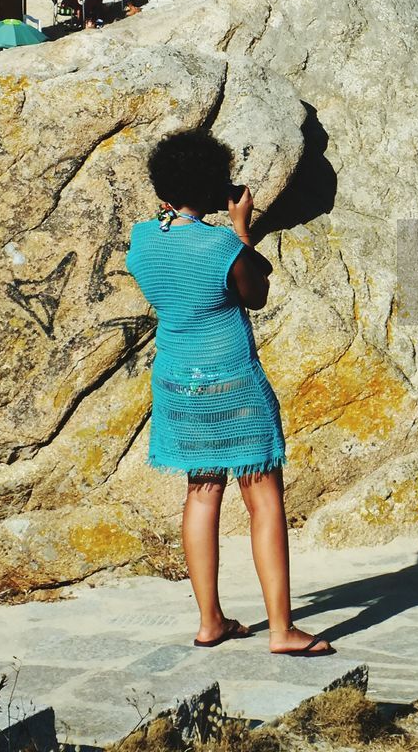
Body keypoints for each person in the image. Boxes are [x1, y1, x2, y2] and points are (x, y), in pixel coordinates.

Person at [125, 130, 333, 657]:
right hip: (234, 380)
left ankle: (209, 620)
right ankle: (283, 631)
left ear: (162, 188)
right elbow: (255, 295)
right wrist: (241, 228)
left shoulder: (143, 239)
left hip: (177, 381)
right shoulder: (220, 245)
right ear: (216, 183)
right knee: (264, 499)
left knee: (202, 491)